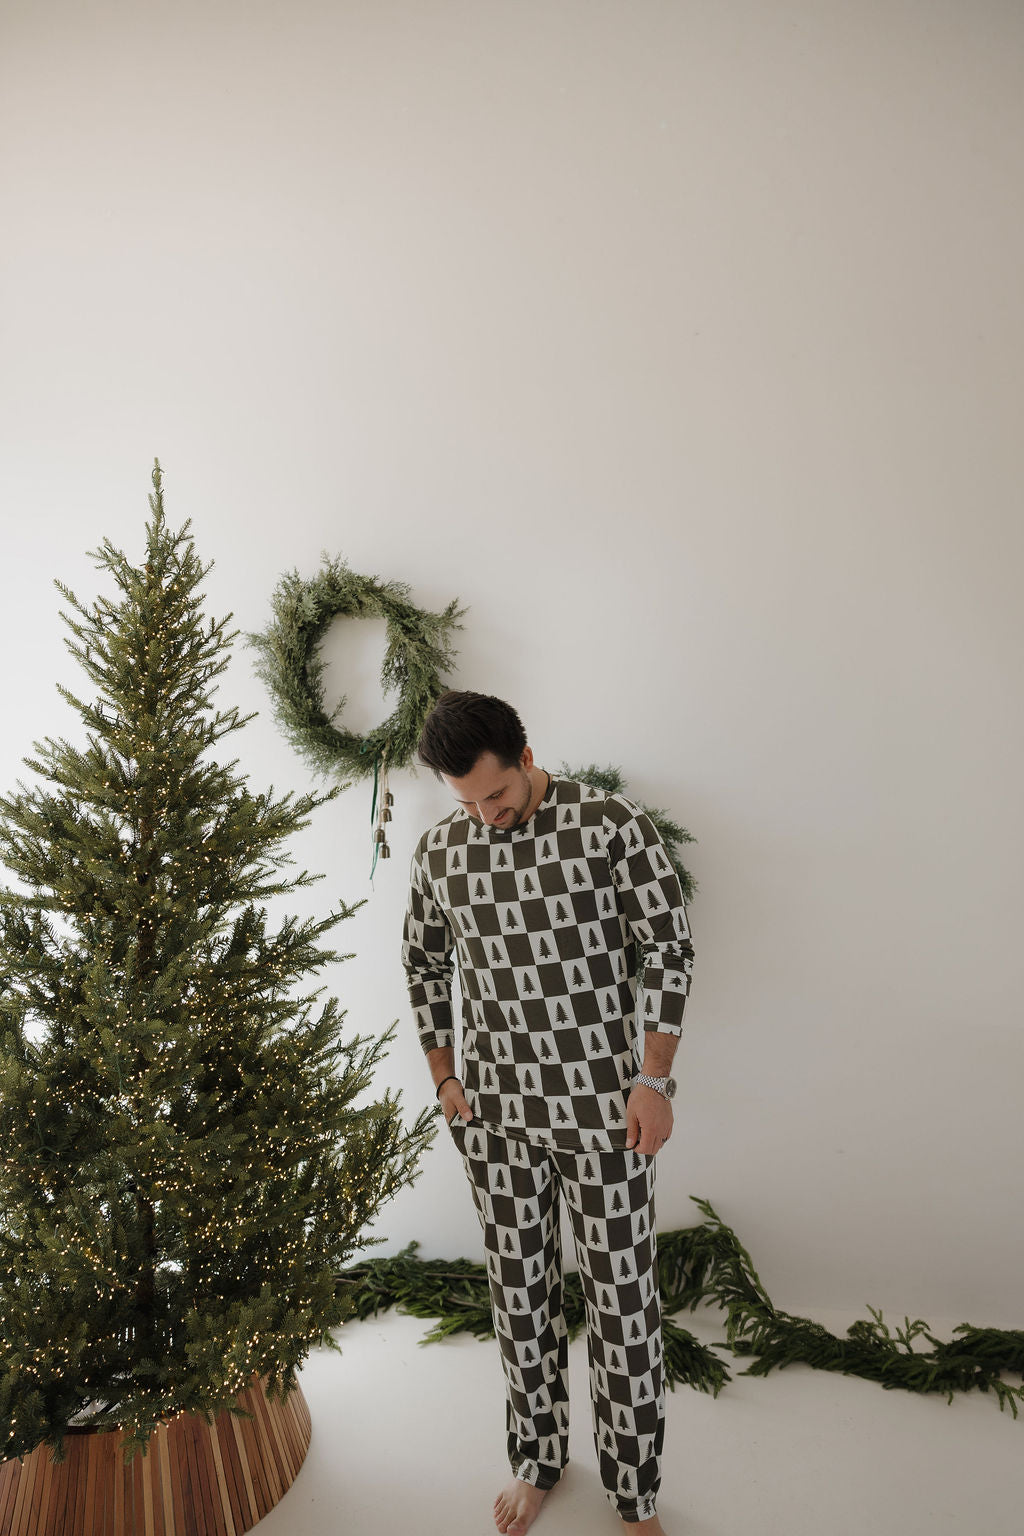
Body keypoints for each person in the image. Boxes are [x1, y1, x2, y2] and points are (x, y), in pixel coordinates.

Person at [402, 691, 694, 1536]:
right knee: (519, 1298)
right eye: (468, 803)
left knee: (623, 1307)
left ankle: (633, 1493)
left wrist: (656, 1079)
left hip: (606, 1115)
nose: (486, 816)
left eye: (496, 796)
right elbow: (423, 964)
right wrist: (445, 1079)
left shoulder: (609, 825)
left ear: (526, 757)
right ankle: (536, 1460)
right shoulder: (441, 850)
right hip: (493, 1117)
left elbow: (668, 949)